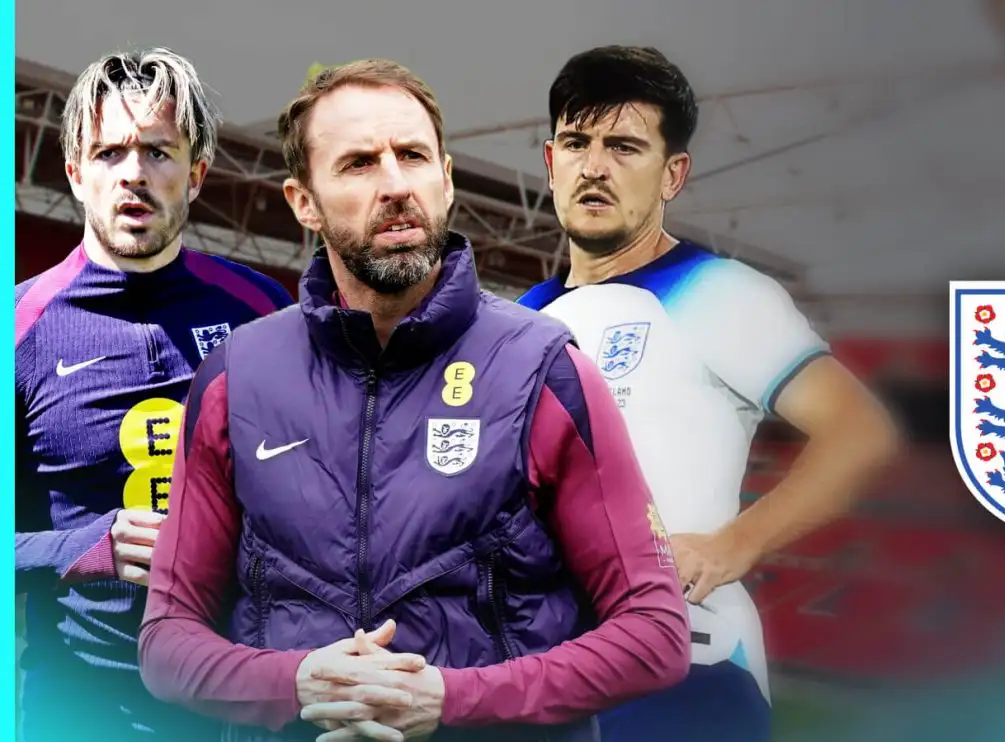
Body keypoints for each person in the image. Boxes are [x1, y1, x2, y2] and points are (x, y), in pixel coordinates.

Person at [137, 59, 691, 742]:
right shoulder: (235, 379)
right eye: (360, 164)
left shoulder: (545, 370)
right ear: (302, 201)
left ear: (447, 179)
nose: (396, 185)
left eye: (413, 156)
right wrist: (297, 683)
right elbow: (167, 642)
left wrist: (450, 699)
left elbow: (655, 632)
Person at [517, 46, 901, 742]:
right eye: (577, 143)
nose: (595, 166)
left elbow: (861, 431)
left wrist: (735, 544)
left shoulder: (720, 292)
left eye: (625, 147)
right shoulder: (523, 320)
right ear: (551, 162)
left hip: (686, 670)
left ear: (673, 174)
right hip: (541, 668)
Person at [14, 48, 295, 741]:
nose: (134, 174)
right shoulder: (16, 328)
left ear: (196, 175)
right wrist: (81, 548)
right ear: (76, 174)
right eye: (110, 153)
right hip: (75, 711)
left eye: (159, 153)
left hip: (234, 712)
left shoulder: (261, 309)